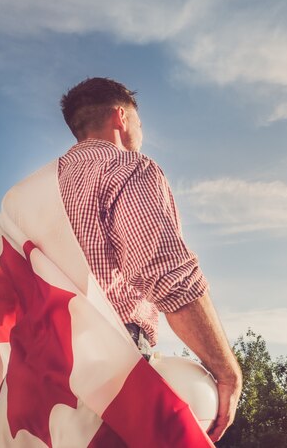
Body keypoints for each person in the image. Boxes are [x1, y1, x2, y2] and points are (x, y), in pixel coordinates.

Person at [58, 77, 242, 443]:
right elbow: (166, 274)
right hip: (111, 359)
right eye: (140, 123)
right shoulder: (127, 167)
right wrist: (226, 371)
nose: (141, 132)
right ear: (120, 117)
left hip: (35, 371)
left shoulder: (32, 192)